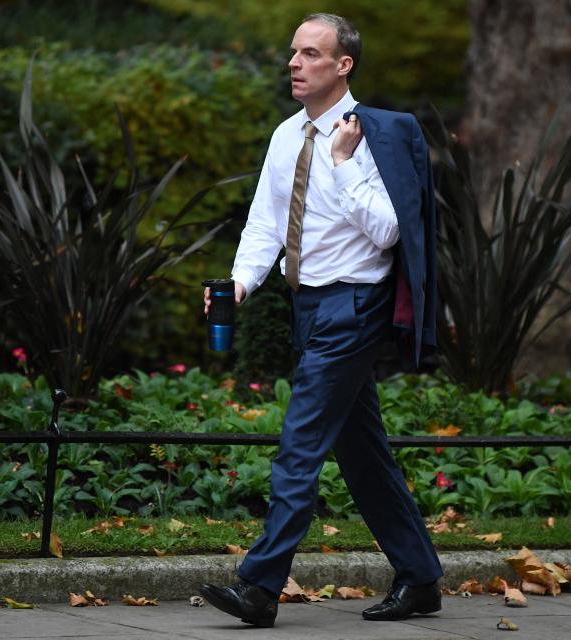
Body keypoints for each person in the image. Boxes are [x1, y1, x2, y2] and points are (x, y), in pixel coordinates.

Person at [199, 13, 444, 627]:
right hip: (307, 306)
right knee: (364, 456)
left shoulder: (371, 137)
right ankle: (420, 580)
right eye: (293, 52)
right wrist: (240, 284)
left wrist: (339, 161)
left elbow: (389, 232)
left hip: (354, 307)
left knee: (299, 445)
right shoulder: (286, 136)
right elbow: (264, 223)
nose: (295, 63)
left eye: (311, 53)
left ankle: (259, 587)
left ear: (343, 65)